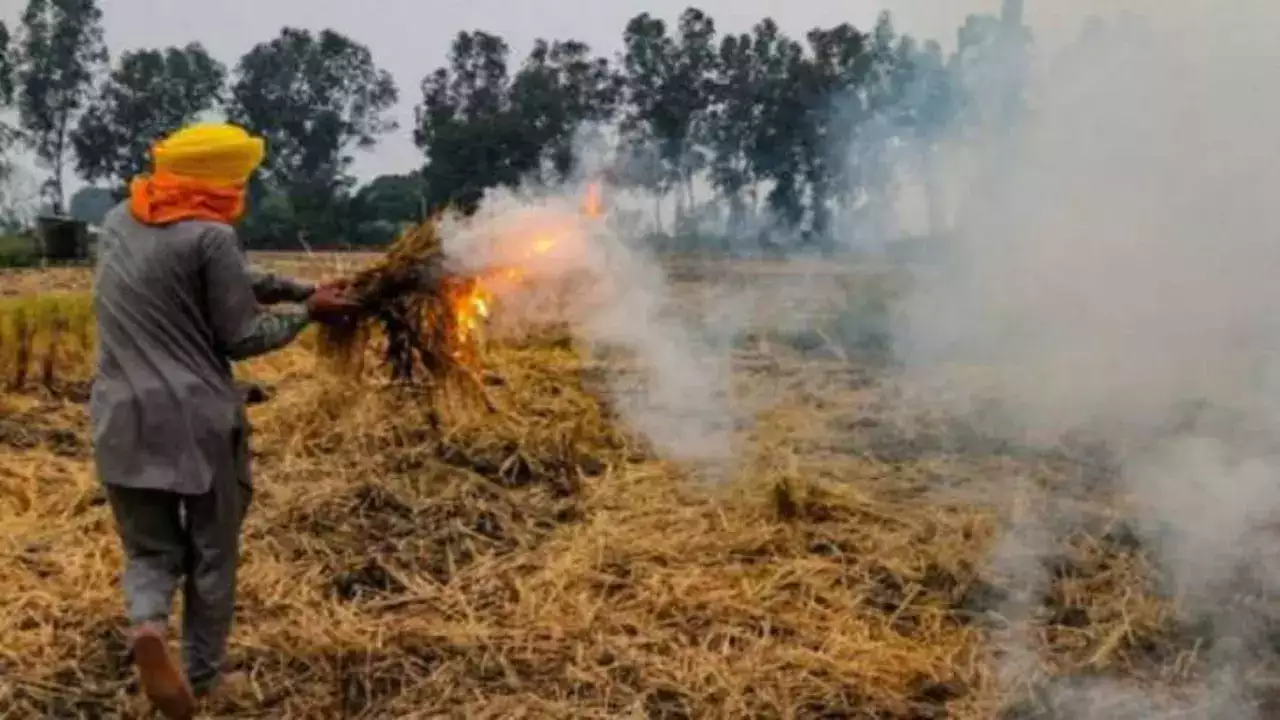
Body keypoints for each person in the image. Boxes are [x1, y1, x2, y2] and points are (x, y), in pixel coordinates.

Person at [91, 123, 357, 719]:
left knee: (150, 552)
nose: (243, 189)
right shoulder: (210, 236)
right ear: (218, 180)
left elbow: (234, 276)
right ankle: (205, 680)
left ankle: (148, 626)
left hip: (118, 420)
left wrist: (301, 285)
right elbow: (241, 335)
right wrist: (308, 312)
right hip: (196, 423)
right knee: (213, 553)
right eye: (238, 178)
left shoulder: (117, 221)